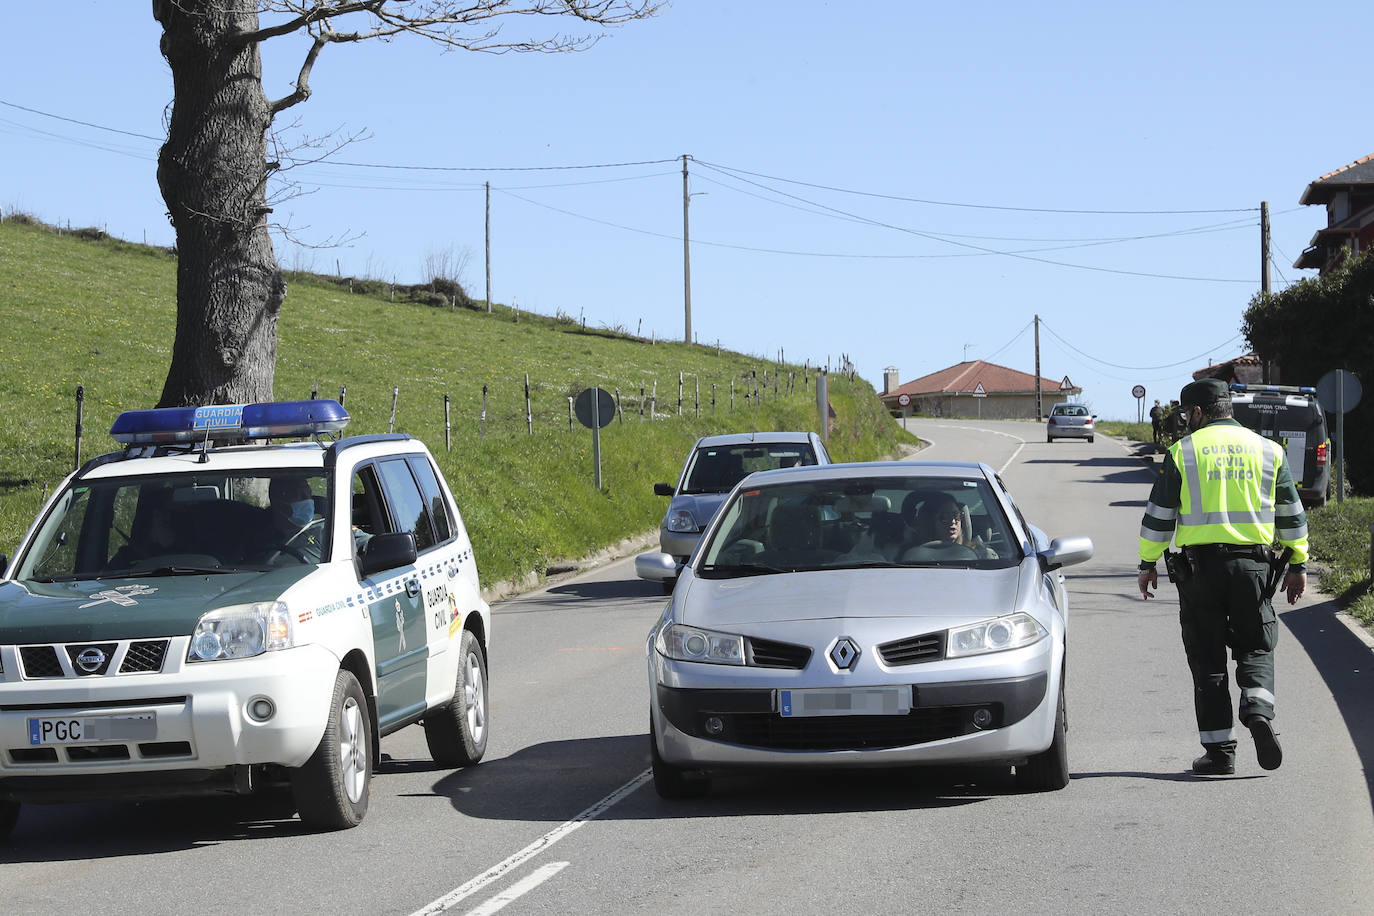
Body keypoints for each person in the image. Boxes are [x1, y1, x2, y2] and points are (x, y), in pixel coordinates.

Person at [1137, 378, 1307, 776]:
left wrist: (1147, 564)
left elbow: (1159, 517)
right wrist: (1298, 564)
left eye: (1186, 415)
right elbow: (1291, 515)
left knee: (1207, 659)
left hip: (1201, 572)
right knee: (1256, 646)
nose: (1184, 422)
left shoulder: (1183, 452)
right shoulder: (1269, 451)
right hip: (1255, 569)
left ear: (1197, 412)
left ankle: (1220, 753)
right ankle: (1259, 712)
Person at [260, 475, 324, 563]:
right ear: (279, 502)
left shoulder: (321, 534)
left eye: (308, 494)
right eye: (300, 495)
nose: (308, 501)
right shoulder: (260, 540)